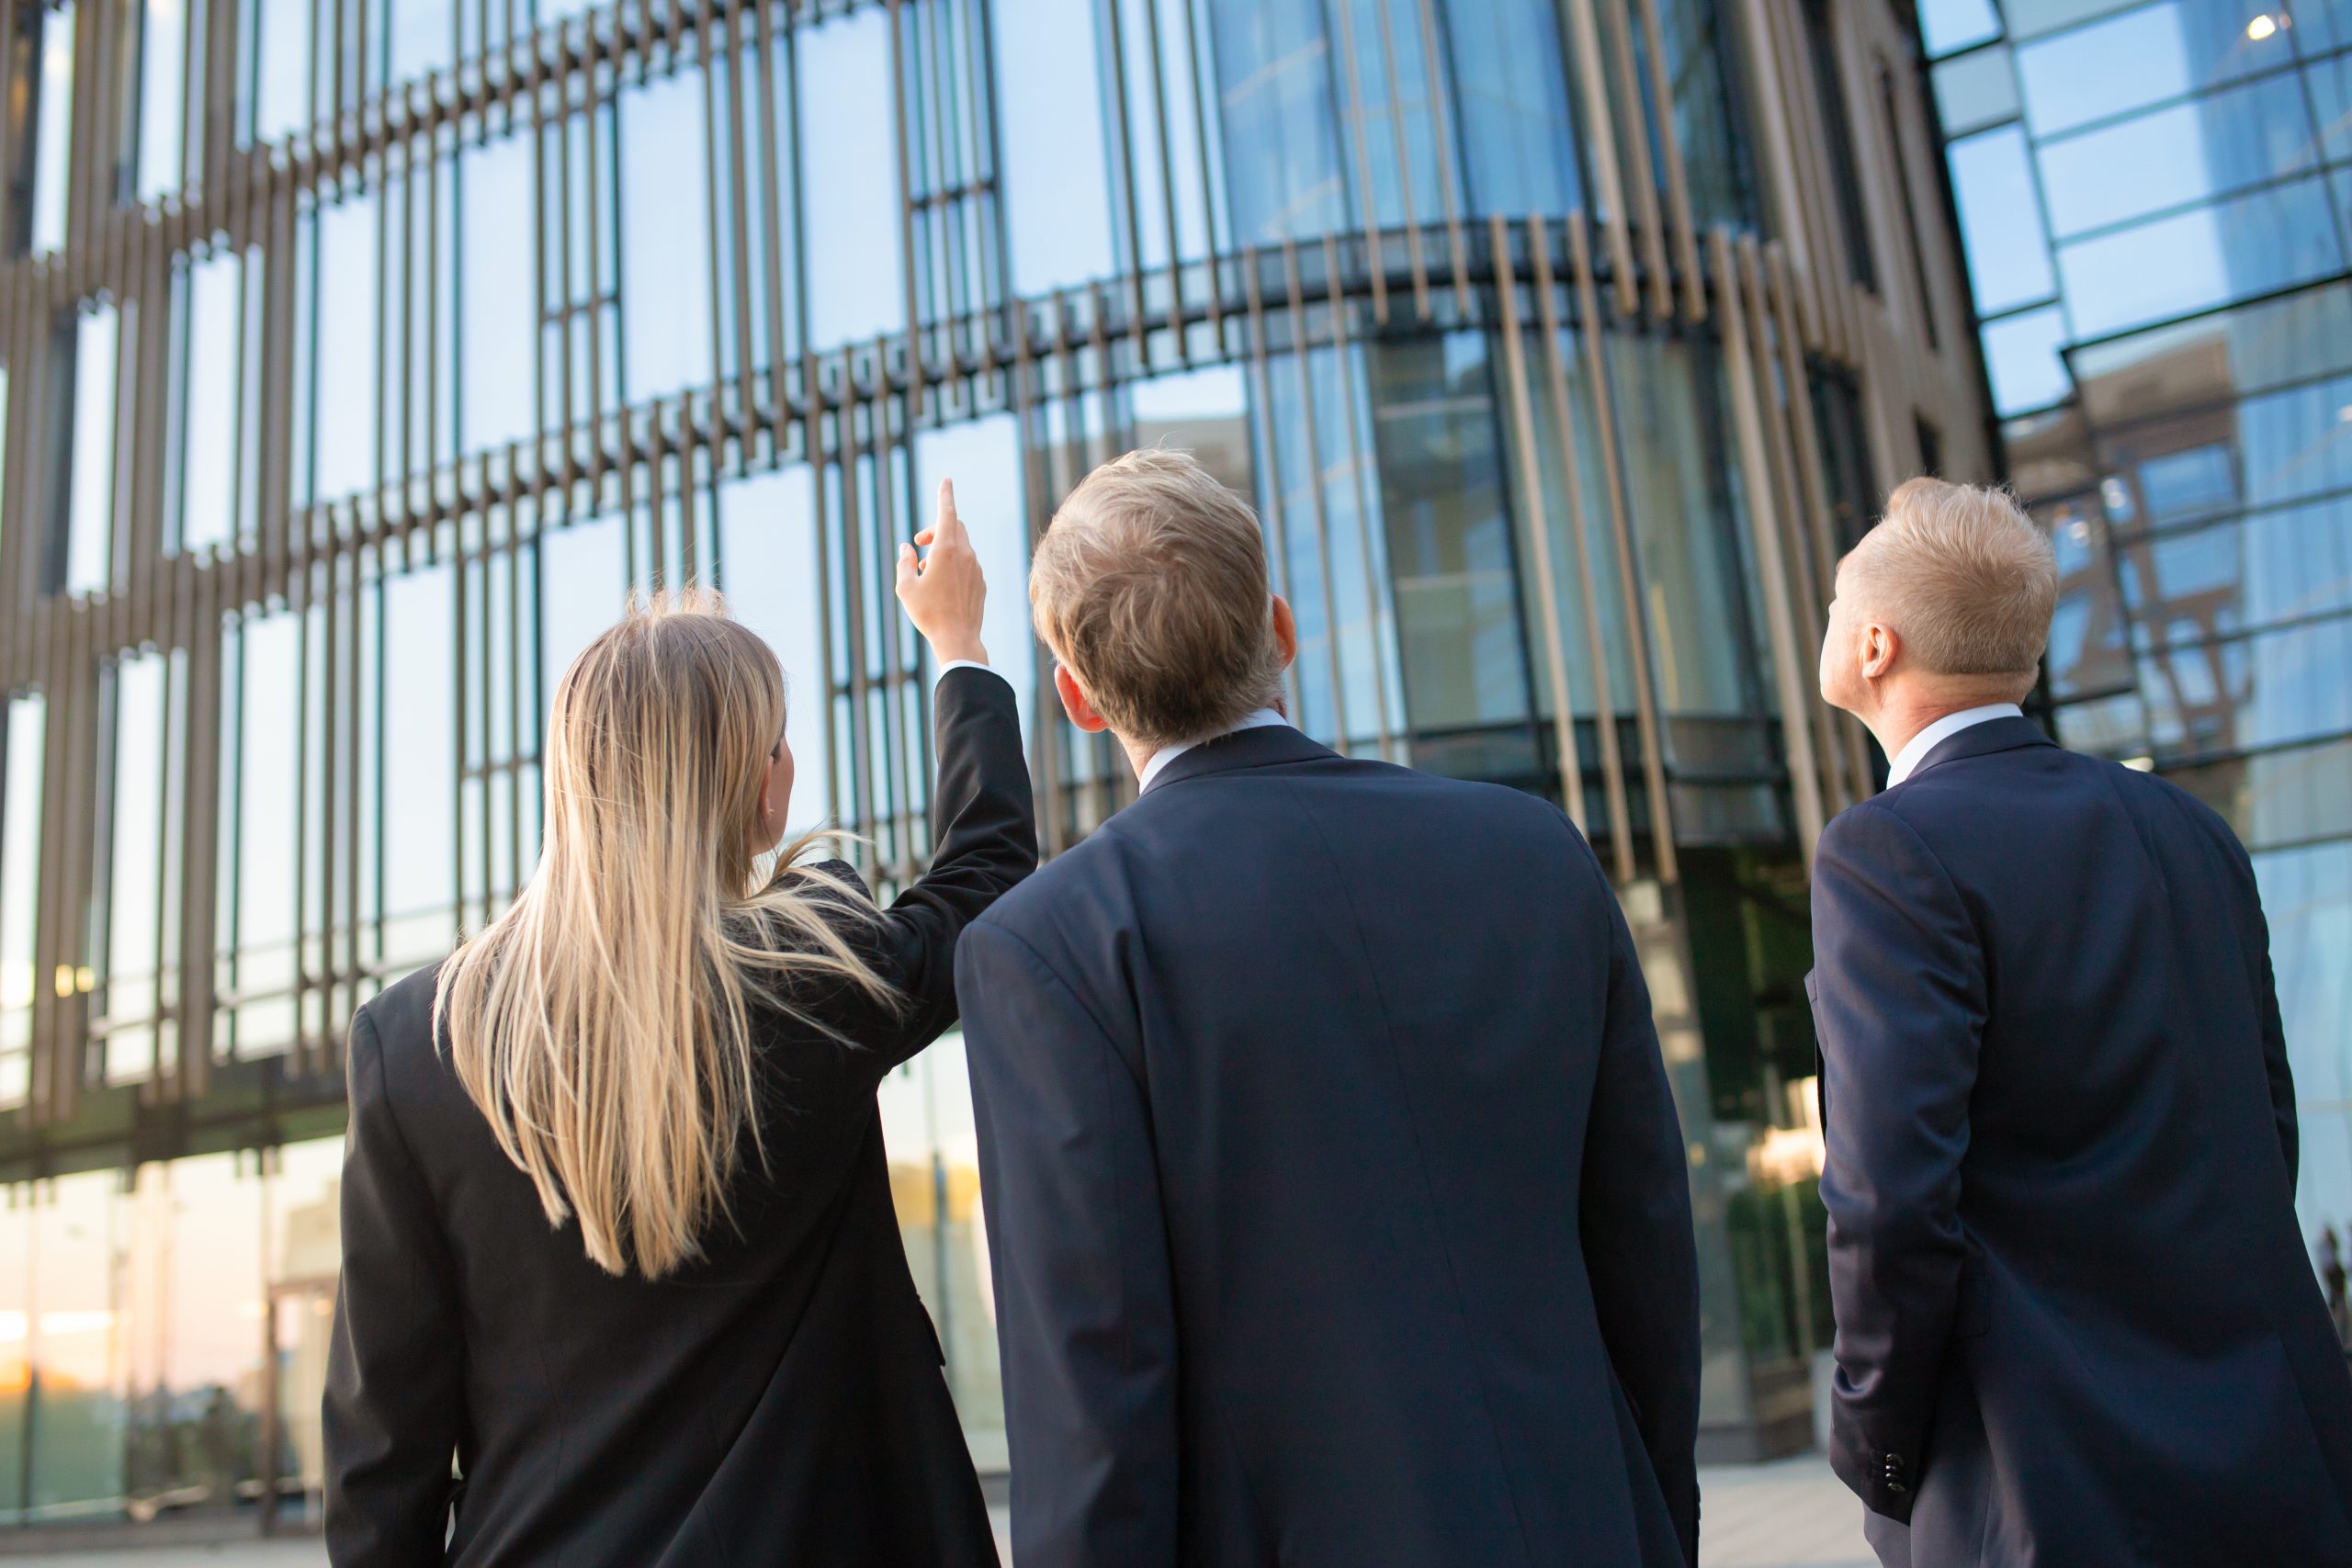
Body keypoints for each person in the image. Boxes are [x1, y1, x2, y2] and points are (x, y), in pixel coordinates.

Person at [956, 449, 1701, 1568]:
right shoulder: (1532, 852)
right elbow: (1645, 1259)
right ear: (1281, 629)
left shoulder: (1052, 946)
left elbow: (1091, 1404)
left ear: (1073, 698)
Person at [322, 485, 1034, 1566]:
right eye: (778, 742)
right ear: (756, 790)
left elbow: (384, 1461)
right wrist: (958, 642)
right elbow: (984, 875)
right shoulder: (817, 973)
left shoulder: (415, 1044)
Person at [1807, 478, 2352, 1567]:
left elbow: (1890, 1201)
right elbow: (2265, 1132)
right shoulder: (2187, 829)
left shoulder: (1886, 851)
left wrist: (1876, 1451)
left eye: (1831, 603)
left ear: (1875, 646)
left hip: (2047, 1480)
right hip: (2277, 1450)